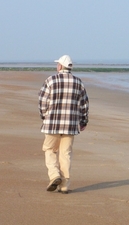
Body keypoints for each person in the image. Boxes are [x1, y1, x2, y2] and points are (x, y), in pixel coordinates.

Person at [38, 55, 89, 194]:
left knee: (49, 150)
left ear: (60, 66)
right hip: (71, 125)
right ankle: (65, 185)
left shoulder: (51, 80)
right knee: (65, 154)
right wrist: (83, 121)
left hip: (52, 123)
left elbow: (42, 100)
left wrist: (44, 116)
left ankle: (54, 175)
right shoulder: (78, 82)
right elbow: (84, 103)